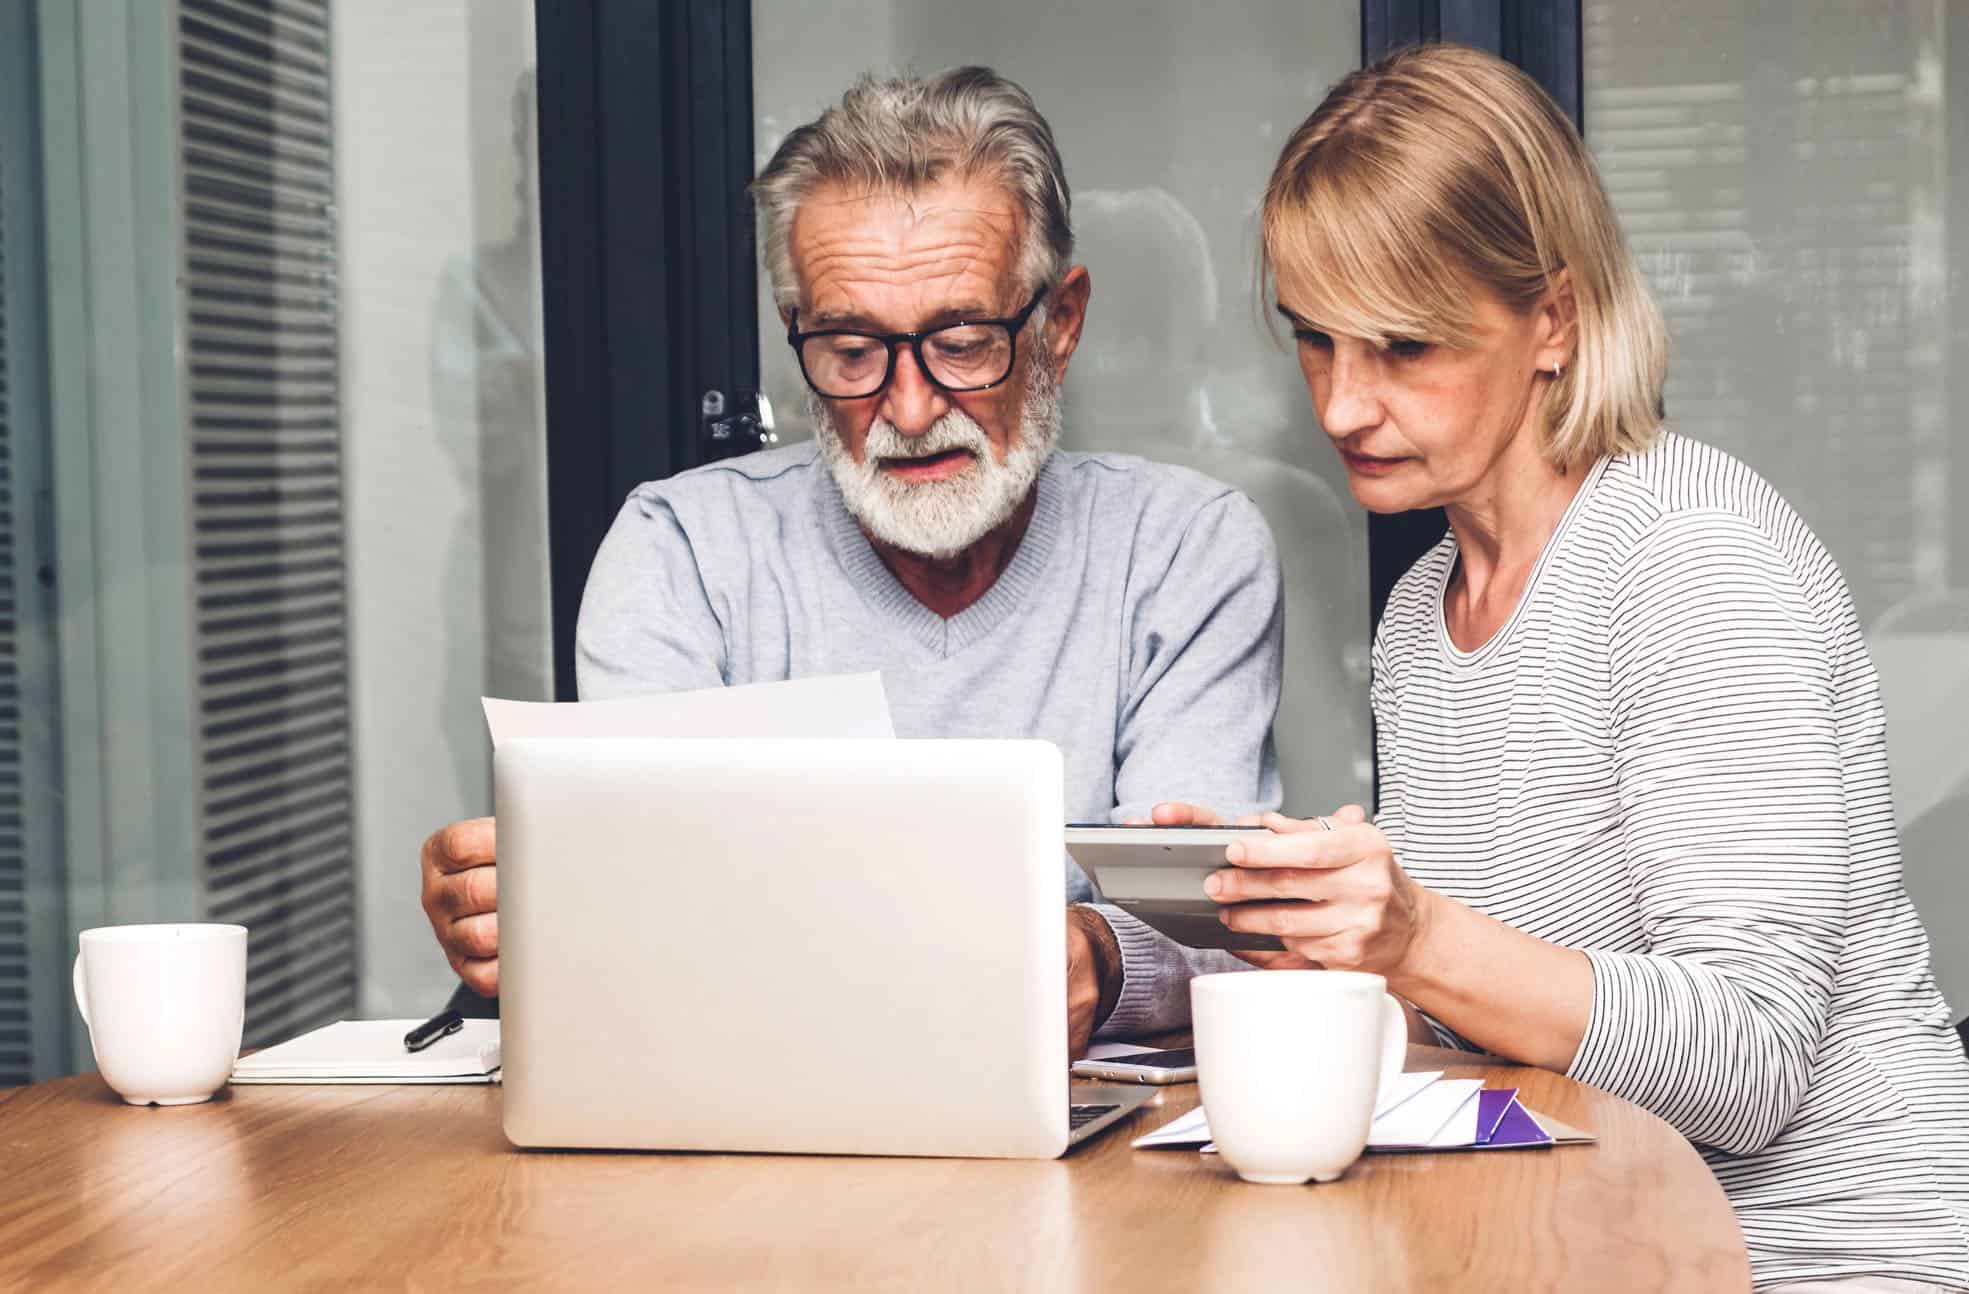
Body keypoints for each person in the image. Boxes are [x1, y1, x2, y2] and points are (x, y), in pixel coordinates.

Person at [1148, 44, 1969, 1291]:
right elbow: (1507, 1024)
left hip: (1823, 1260)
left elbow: (1750, 1063)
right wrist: (1313, 935)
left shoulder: (1692, 555)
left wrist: (1414, 936)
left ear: (1556, 319)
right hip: (1595, 1244)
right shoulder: (1428, 610)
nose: (1340, 408)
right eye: (1314, 342)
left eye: (1402, 348)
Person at [417, 67, 1282, 1056]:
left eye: (961, 341)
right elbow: (639, 923)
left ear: (1060, 323)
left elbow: (1228, 925)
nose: (909, 412)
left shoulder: (1185, 550)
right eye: (849, 350)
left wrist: (1099, 954)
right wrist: (528, 910)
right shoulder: (681, 552)